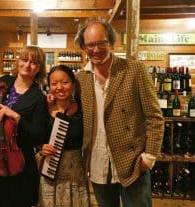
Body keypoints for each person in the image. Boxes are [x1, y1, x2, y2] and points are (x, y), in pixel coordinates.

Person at [74, 18, 165, 207]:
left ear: (111, 42)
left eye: (102, 43)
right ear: (83, 46)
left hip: (133, 163)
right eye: (91, 45)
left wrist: (149, 157)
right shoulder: (81, 78)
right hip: (97, 162)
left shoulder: (134, 70)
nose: (97, 50)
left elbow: (155, 117)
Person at [0, 45, 49, 207]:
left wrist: (16, 116)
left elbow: (38, 135)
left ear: (39, 68)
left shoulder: (39, 98)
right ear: (18, 62)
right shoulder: (1, 82)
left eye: (34, 63)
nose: (27, 65)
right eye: (24, 60)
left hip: (18, 162)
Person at [37, 65, 90, 207]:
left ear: (73, 85)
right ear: (49, 86)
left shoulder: (83, 108)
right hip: (50, 170)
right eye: (54, 83)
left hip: (75, 172)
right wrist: (41, 147)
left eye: (65, 82)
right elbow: (35, 136)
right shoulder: (42, 108)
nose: (59, 87)